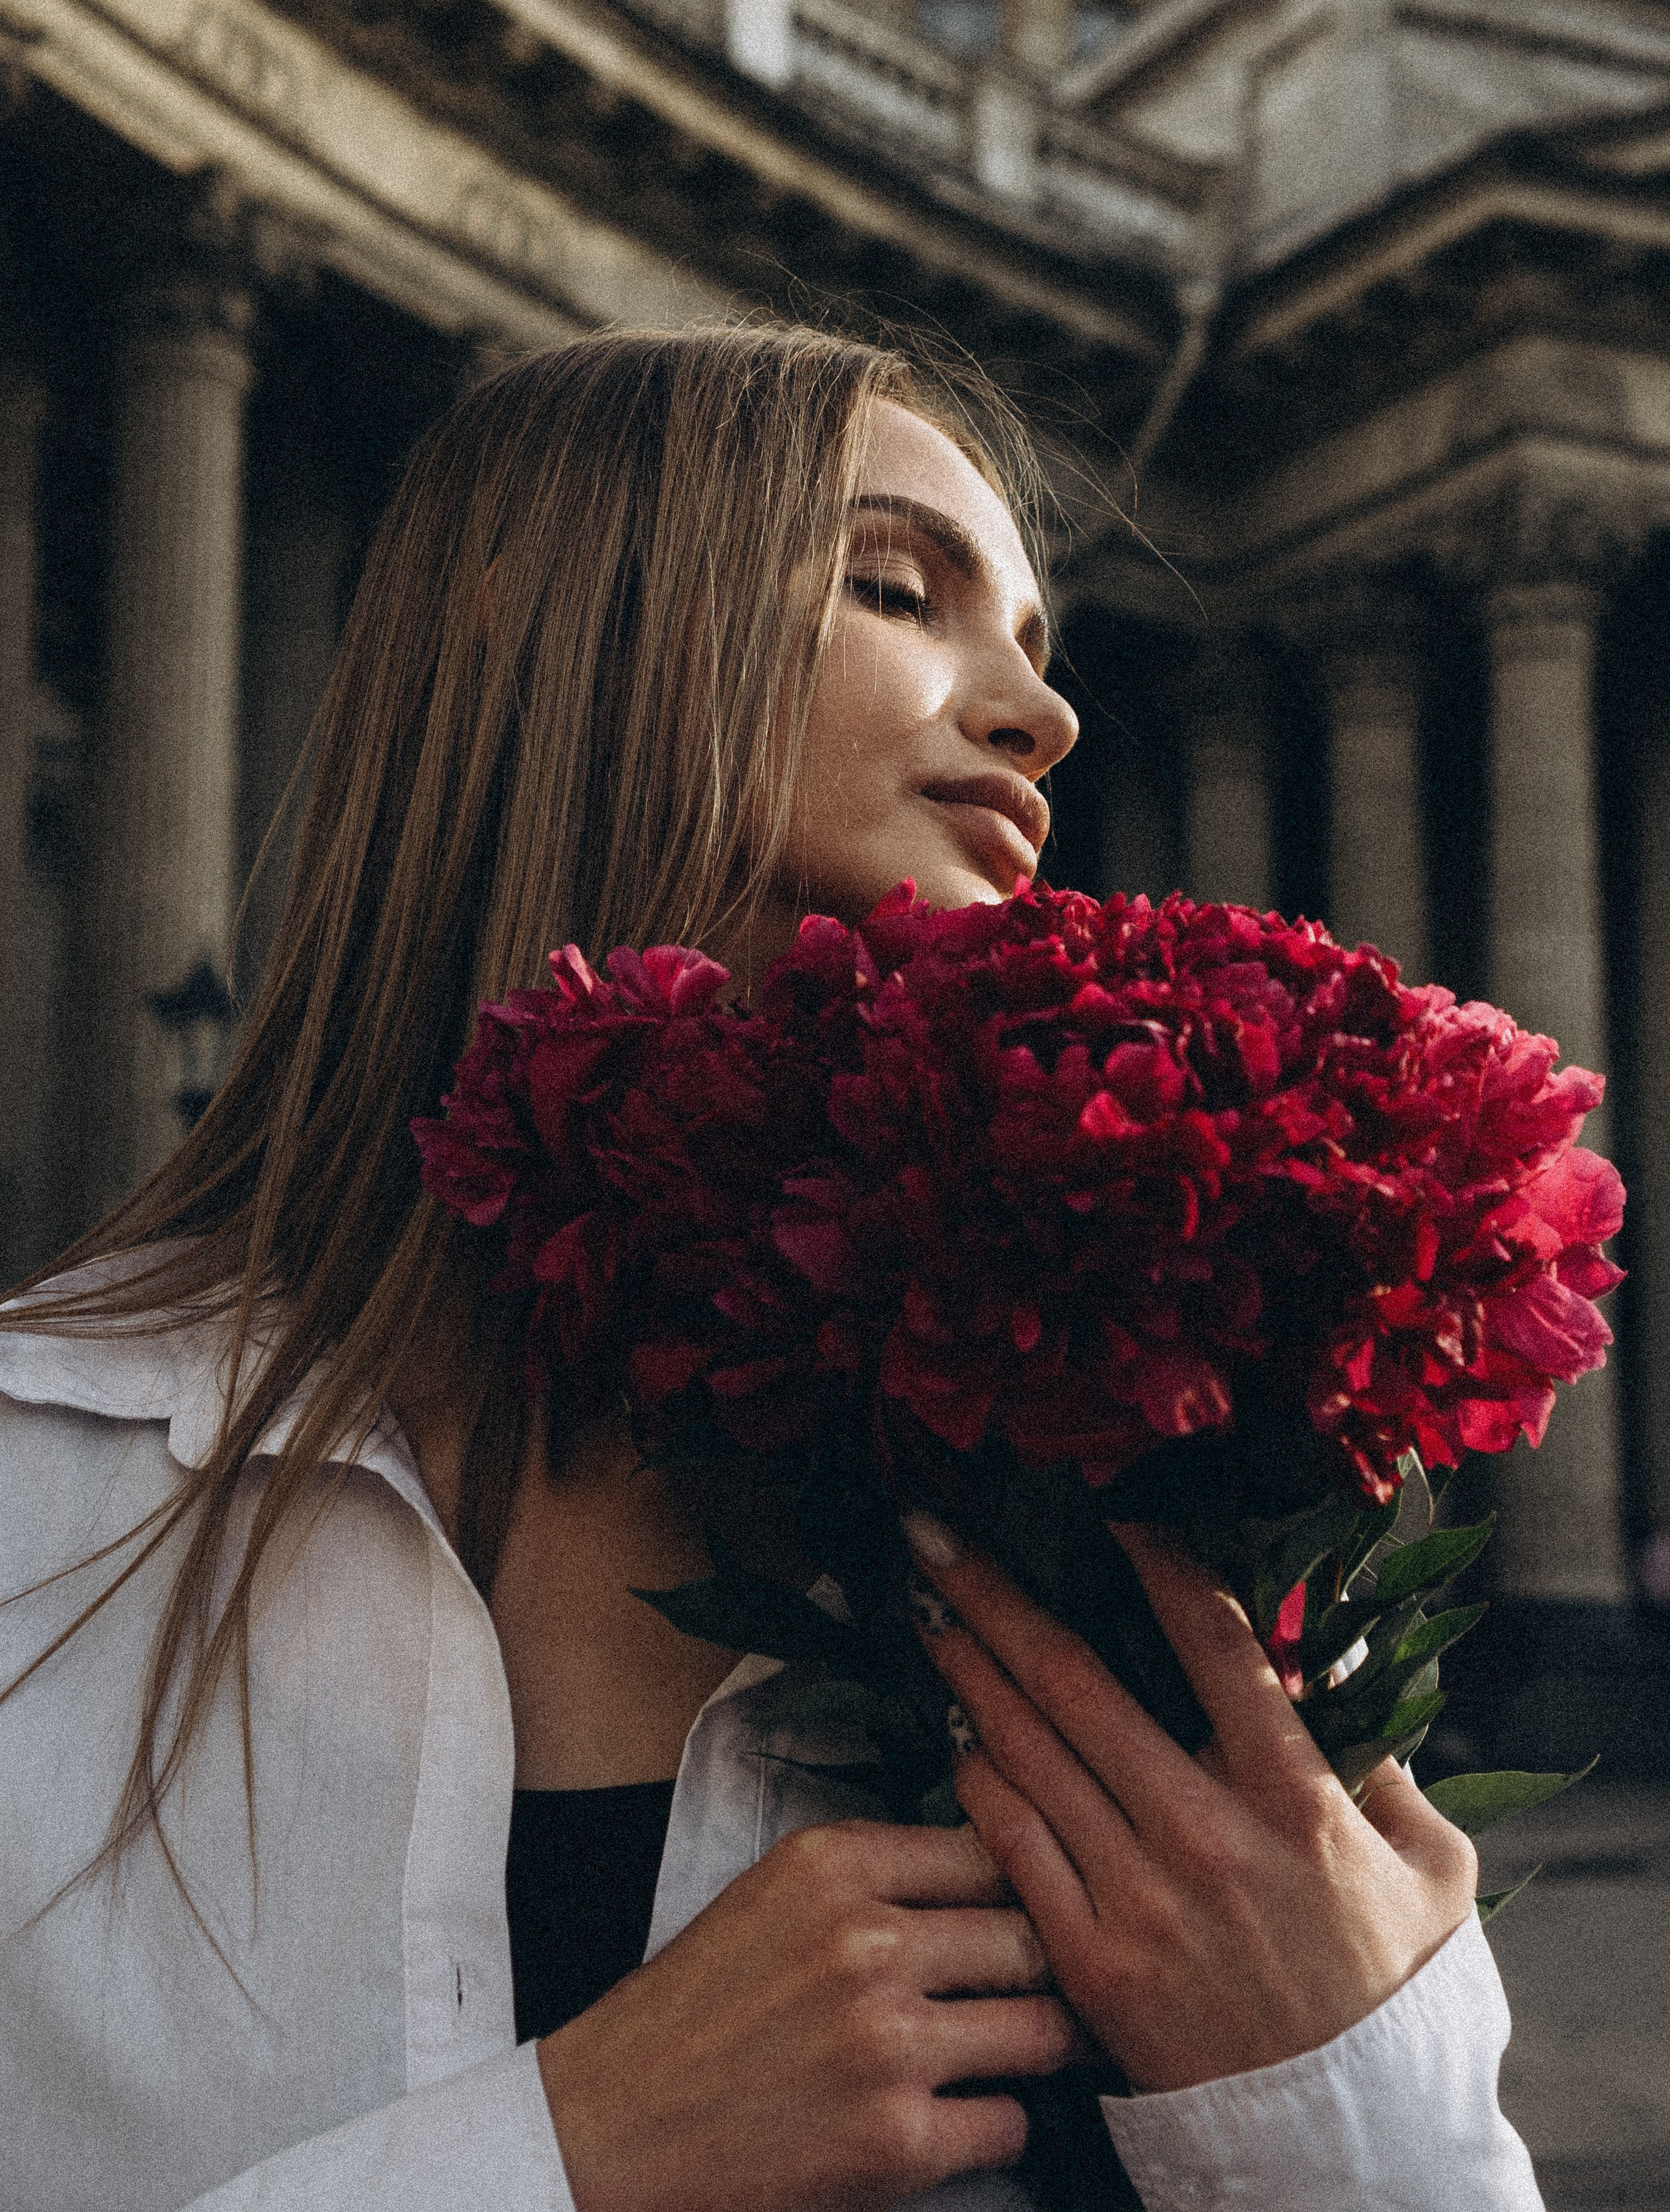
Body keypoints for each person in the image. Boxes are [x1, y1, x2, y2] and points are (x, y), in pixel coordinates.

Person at [0, 328, 1542, 2212]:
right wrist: (570, 2158)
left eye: (1046, 651)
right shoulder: (32, 1483)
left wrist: (1341, 2105)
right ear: (531, 635)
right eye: (897, 587)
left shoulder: (1156, 1518)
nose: (1042, 720)